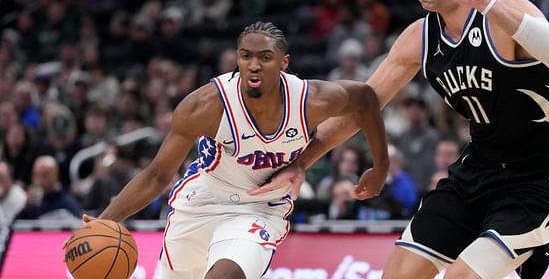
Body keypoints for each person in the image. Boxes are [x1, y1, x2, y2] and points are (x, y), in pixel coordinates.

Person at [252, 0, 549, 278]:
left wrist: (484, 2)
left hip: (545, 177)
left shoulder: (504, 14)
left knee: (464, 276)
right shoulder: (420, 37)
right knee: (399, 273)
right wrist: (302, 162)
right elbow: (363, 107)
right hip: (479, 172)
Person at [77, 21, 389, 279]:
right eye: (245, 56)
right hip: (202, 201)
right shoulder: (205, 105)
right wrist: (106, 220)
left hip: (260, 208)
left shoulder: (311, 99)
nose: (254, 65)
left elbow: (365, 99)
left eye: (265, 58)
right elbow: (158, 174)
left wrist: (381, 167)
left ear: (284, 63)